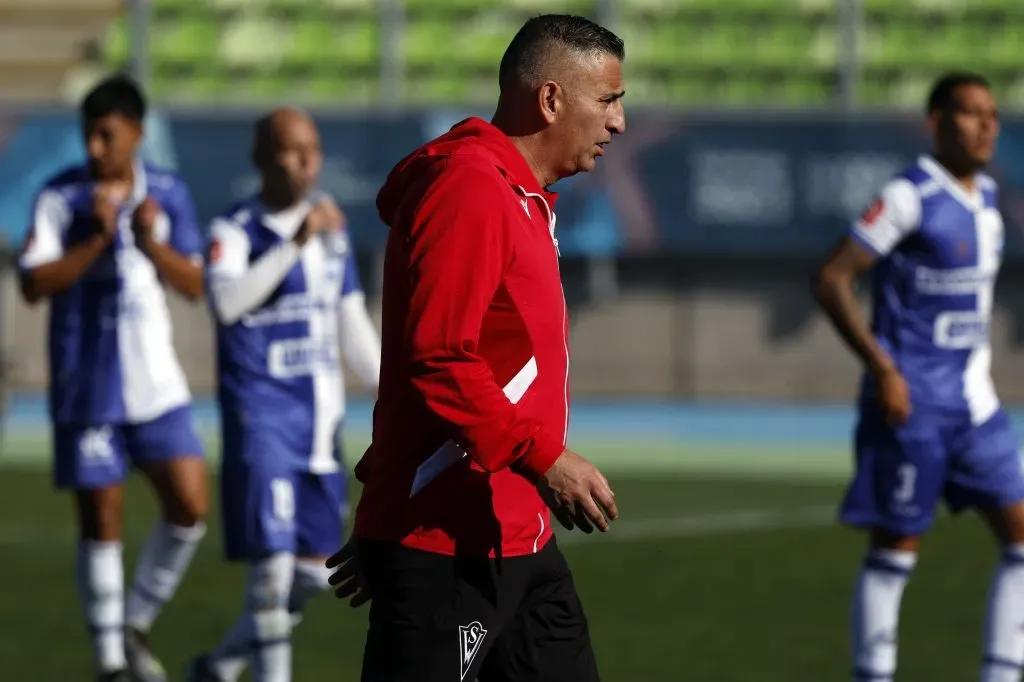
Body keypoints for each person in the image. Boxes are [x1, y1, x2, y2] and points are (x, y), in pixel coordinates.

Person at [325, 14, 625, 682]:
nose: (618, 122)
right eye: (607, 100)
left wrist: (388, 476)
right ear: (551, 100)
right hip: (446, 544)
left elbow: (477, 362)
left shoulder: (520, 198)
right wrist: (547, 459)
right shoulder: (470, 189)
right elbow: (438, 354)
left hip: (516, 534)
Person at [813, 71, 1024, 682]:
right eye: (969, 113)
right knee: (896, 549)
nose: (987, 125)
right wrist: (883, 368)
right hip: (912, 410)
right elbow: (831, 278)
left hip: (975, 409)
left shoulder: (987, 201)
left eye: (993, 114)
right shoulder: (909, 196)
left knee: (1019, 537)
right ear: (936, 122)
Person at [17, 74, 208, 682]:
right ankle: (109, 662)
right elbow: (32, 283)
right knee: (102, 516)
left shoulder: (168, 194)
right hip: (87, 384)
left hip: (158, 386)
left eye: (107, 135)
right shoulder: (61, 197)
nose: (95, 148)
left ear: (136, 134)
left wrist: (150, 244)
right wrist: (97, 240)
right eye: (88, 135)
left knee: (190, 506)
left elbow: (195, 283)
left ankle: (132, 624)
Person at [186, 108, 381, 682]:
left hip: (320, 425)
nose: (304, 163)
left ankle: (220, 665)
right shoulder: (234, 231)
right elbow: (226, 304)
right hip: (261, 418)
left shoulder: (332, 234)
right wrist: (295, 243)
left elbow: (351, 325)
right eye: (291, 150)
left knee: (317, 575)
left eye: (312, 151)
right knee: (270, 573)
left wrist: (397, 390)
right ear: (261, 157)